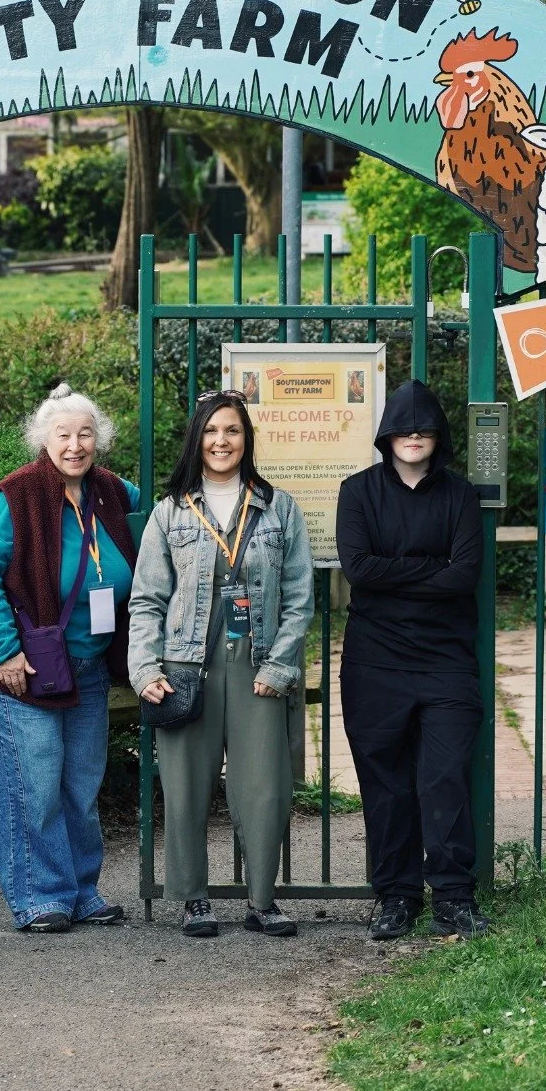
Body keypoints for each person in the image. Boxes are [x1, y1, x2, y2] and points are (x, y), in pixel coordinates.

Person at [129, 389, 314, 938]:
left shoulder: (279, 508)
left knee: (265, 788)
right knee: (185, 786)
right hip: (186, 666)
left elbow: (299, 597)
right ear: (197, 439)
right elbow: (147, 599)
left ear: (246, 439)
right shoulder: (170, 511)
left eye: (232, 430)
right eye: (211, 431)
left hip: (257, 662)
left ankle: (262, 901)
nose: (221, 441)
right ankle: (193, 899)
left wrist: (280, 666)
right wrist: (145, 669)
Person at [0, 383, 138, 932]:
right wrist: (5, 651)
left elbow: (165, 511)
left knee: (81, 787)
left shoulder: (112, 491)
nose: (75, 445)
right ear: (44, 439)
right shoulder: (17, 496)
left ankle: (82, 891)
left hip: (87, 665)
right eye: (63, 435)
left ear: (99, 439)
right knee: (33, 785)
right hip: (22, 667)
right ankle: (40, 897)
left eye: (85, 434)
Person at [336, 379, 490, 941]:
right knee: (386, 785)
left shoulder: (460, 495)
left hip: (447, 662)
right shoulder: (358, 492)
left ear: (439, 436)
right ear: (387, 435)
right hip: (374, 664)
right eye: (403, 427)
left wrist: (393, 576)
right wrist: (431, 568)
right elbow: (358, 569)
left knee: (444, 778)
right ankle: (395, 897)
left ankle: (453, 897)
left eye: (424, 427)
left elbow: (464, 575)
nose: (414, 436)